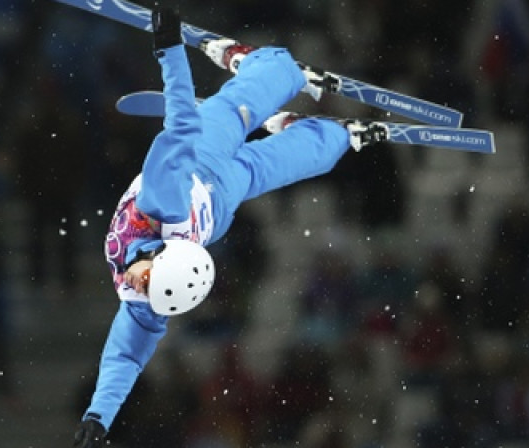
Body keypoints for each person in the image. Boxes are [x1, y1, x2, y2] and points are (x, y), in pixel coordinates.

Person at [72, 8, 388, 447]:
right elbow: (182, 121)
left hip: (210, 206)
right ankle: (281, 82)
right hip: (204, 172)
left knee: (266, 165)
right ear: (159, 256)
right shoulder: (163, 206)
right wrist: (169, 51)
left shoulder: (149, 287)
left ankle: (307, 116)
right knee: (238, 119)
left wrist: (97, 415)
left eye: (143, 283)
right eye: (145, 279)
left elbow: (124, 353)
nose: (135, 283)